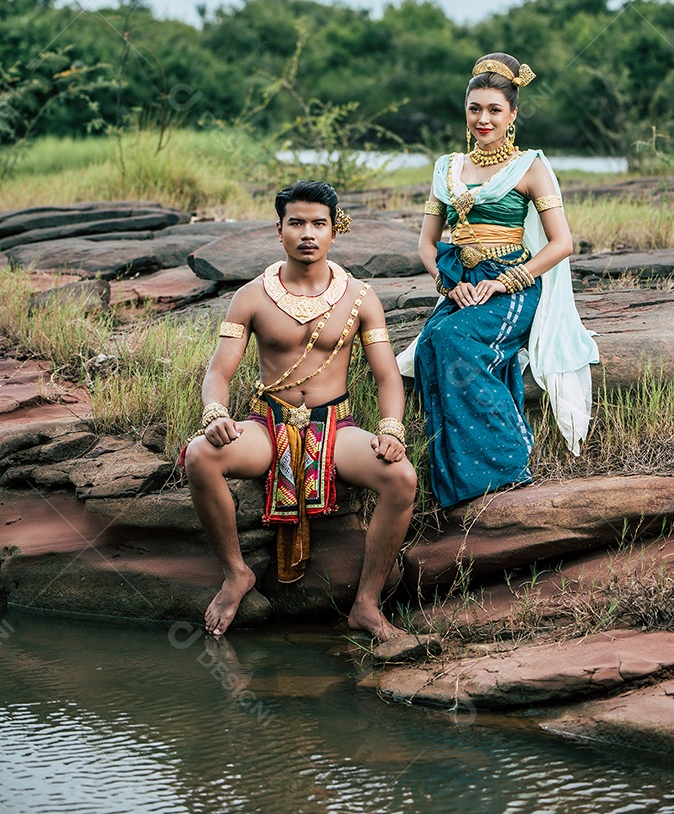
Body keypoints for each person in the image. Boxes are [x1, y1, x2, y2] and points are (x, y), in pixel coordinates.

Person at [182, 179, 417, 639]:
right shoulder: (250, 296)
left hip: (334, 427)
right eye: (297, 223)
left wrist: (392, 429)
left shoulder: (359, 297)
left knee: (402, 477)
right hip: (266, 425)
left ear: (334, 230)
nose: (307, 233)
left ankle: (365, 606)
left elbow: (388, 376)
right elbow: (219, 372)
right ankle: (237, 572)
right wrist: (216, 414)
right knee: (199, 456)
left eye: (318, 223)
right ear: (279, 230)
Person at [398, 53, 598, 509]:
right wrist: (448, 286)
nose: (483, 119)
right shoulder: (447, 168)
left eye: (494, 110)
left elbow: (562, 243)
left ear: (512, 115)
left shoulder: (530, 167)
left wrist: (508, 281)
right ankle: (457, 482)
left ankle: (508, 465)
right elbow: (428, 246)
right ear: (465, 111)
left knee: (452, 337)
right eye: (475, 109)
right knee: (431, 342)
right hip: (462, 282)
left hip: (513, 284)